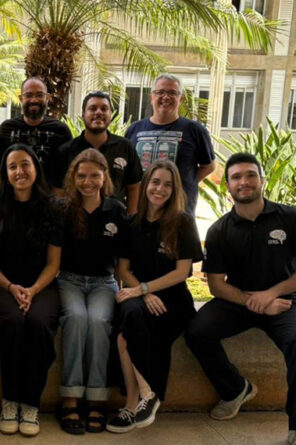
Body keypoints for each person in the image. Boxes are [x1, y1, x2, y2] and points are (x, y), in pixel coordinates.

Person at [185, 153, 296, 445]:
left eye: (250, 175)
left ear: (262, 180)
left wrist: (271, 295)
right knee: (197, 332)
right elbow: (216, 285)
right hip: (237, 301)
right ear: (228, 186)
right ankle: (235, 389)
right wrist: (254, 302)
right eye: (236, 177)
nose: (243, 182)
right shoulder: (219, 230)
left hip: (285, 300)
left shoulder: (290, 217)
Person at [107, 160, 203, 433]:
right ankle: (145, 396)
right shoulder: (131, 222)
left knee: (126, 332)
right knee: (129, 317)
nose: (160, 189)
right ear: (146, 184)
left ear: (174, 190)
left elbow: (182, 273)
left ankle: (133, 403)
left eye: (167, 185)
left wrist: (144, 290)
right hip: (140, 294)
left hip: (173, 300)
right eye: (155, 182)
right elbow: (123, 269)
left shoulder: (183, 222)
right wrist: (143, 292)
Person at [0, 144, 62, 437]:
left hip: (42, 284)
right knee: (14, 322)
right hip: (2, 284)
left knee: (39, 323)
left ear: (35, 168)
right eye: (12, 166)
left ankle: (30, 403)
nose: (19, 172)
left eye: (25, 164)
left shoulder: (52, 208)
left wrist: (33, 289)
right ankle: (10, 400)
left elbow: (54, 263)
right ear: (5, 173)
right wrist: (12, 287)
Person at [57, 149, 127, 435]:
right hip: (69, 281)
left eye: (94, 176)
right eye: (82, 176)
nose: (88, 182)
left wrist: (127, 290)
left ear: (104, 177)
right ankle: (70, 397)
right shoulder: (64, 209)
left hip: (103, 282)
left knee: (98, 322)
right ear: (73, 177)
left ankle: (97, 398)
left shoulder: (116, 210)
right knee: (76, 319)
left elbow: (122, 260)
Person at [125, 73, 216, 215]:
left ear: (181, 99)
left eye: (172, 93)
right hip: (142, 212)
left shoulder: (195, 130)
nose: (166, 97)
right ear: (151, 98)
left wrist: (183, 184)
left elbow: (209, 166)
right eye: (160, 92)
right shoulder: (134, 129)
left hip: (178, 213)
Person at [54, 91, 142, 213]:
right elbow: (59, 191)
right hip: (75, 219)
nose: (99, 112)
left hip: (115, 220)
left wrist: (130, 218)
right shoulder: (66, 150)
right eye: (93, 108)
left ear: (110, 115)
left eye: (104, 109)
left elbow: (133, 187)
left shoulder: (125, 147)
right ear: (83, 115)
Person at [0, 77, 72, 184]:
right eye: (28, 95)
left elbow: (68, 170)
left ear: (47, 98)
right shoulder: (6, 129)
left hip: (49, 193)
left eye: (40, 95)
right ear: (21, 98)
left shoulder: (61, 131)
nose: (34, 100)